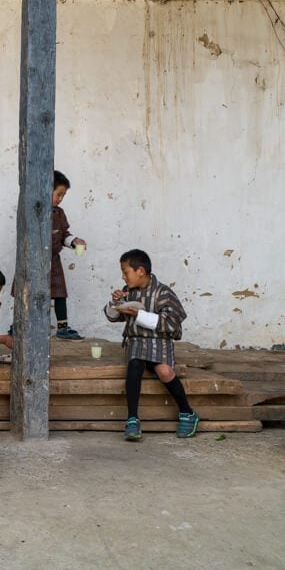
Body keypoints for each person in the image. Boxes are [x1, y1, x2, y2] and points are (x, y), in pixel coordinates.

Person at [104, 248, 199, 441]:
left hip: (159, 342)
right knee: (134, 366)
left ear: (140, 271)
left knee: (164, 371)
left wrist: (138, 314)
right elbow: (112, 317)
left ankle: (187, 412)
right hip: (136, 342)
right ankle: (132, 419)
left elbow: (171, 324)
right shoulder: (128, 292)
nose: (123, 277)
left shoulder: (163, 292)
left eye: (125, 271)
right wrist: (114, 303)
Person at [50, 170, 87, 340]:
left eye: (63, 195)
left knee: (59, 294)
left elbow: (64, 234)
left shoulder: (59, 213)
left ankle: (62, 328)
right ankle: (18, 325)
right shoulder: (32, 210)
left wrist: (74, 241)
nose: (60, 199)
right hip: (33, 261)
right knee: (27, 293)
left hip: (53, 259)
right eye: (58, 194)